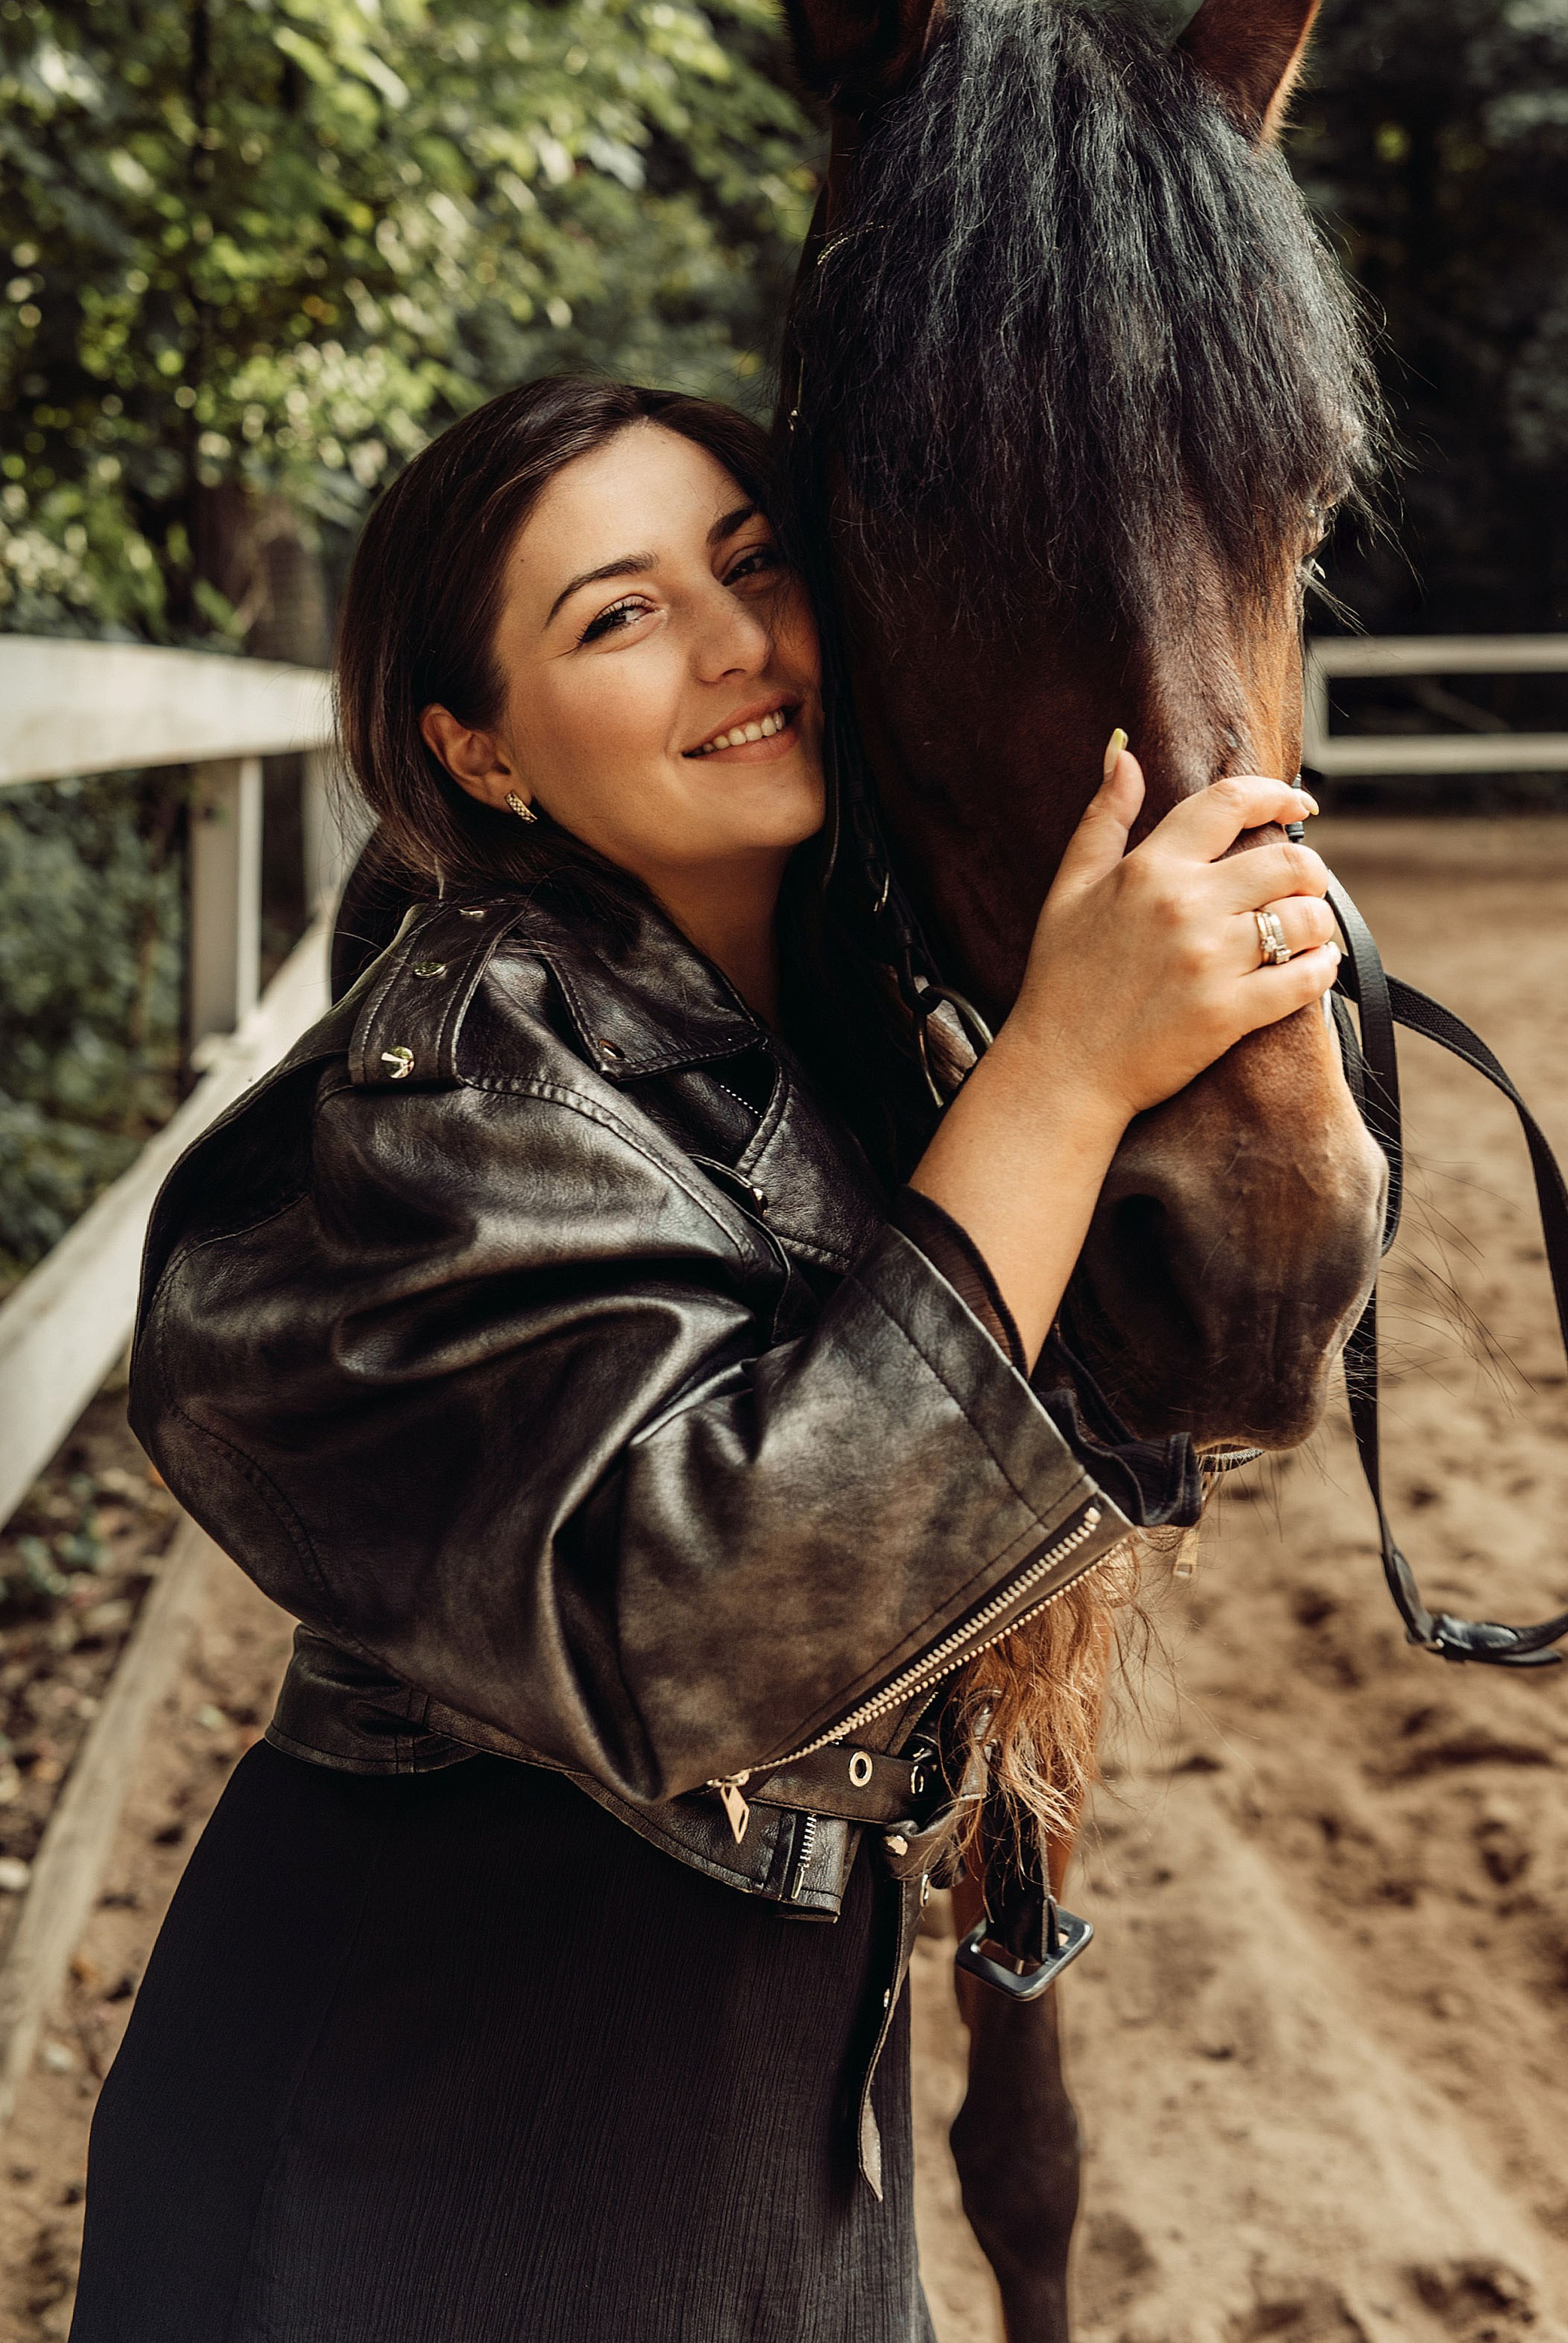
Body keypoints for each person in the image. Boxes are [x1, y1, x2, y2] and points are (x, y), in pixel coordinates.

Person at [71, 374, 1341, 2343]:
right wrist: (1068, 1074)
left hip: (770, 2108)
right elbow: (716, 1622)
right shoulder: (457, 1098)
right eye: (618, 613)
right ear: (476, 752)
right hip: (441, 2119)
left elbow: (1117, 1396)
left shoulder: (847, 1016)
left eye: (752, 566)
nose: (737, 642)